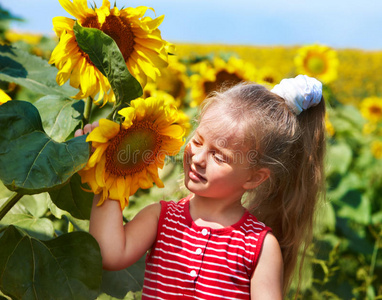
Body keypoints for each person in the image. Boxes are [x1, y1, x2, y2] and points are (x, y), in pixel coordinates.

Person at [75, 74, 326, 299]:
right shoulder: (162, 218)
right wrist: (105, 170)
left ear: (253, 178)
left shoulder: (258, 245)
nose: (197, 157)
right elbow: (111, 254)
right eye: (197, 140)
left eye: (218, 156)